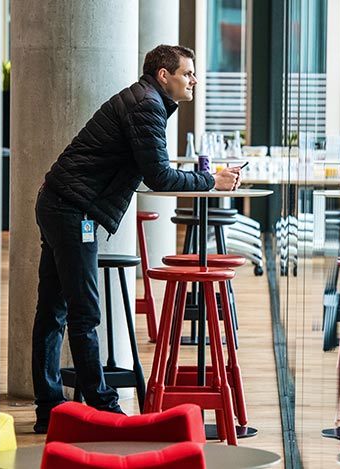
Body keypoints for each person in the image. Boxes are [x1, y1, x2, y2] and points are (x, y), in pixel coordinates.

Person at [32, 44, 241, 433]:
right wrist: (211, 181)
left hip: (60, 201)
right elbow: (159, 176)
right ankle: (103, 409)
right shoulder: (147, 105)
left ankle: (50, 408)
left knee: (55, 310)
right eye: (187, 73)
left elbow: (152, 169)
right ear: (164, 75)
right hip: (72, 209)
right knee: (83, 313)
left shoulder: (144, 100)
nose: (194, 80)